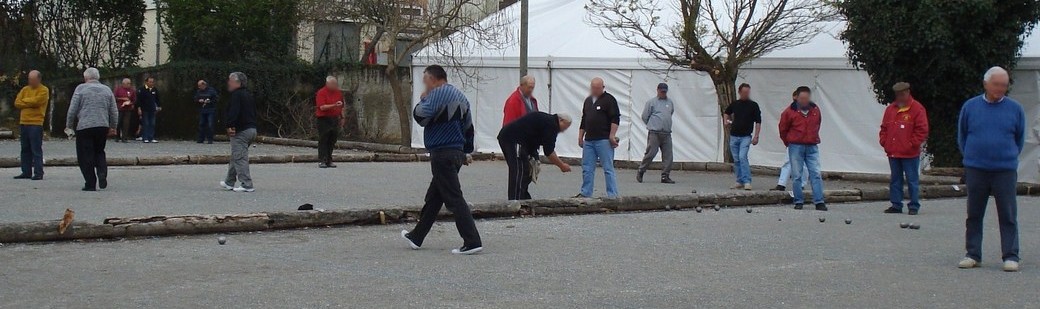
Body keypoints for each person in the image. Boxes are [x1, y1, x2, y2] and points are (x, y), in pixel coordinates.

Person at [401, 64, 483, 255]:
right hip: (455, 152)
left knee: (454, 199)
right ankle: (417, 236)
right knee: (434, 198)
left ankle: (472, 241)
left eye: (425, 81)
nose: (424, 86)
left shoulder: (438, 94)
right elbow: (468, 127)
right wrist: (465, 151)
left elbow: (421, 116)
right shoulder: (461, 97)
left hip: (442, 152)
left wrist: (422, 101)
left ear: (433, 79)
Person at [956, 66, 1023, 272]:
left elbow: (1019, 139)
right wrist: (971, 157)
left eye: (1004, 85)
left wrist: (1007, 156)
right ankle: (973, 253)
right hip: (977, 169)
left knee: (1008, 214)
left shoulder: (1015, 109)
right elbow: (962, 135)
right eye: (996, 84)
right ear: (986, 84)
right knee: (974, 213)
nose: (1000, 89)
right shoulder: (970, 107)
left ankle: (1011, 255)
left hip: (1004, 170)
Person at [497, 112, 573, 200]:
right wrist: (562, 165)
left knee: (527, 169)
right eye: (565, 127)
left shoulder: (548, 121)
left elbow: (534, 139)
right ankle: (515, 202)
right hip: (512, 139)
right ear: (560, 120)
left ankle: (524, 198)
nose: (564, 130)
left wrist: (535, 158)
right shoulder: (552, 125)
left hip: (521, 142)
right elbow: (549, 152)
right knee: (519, 170)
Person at [880, 82, 929, 215]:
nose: (900, 98)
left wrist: (911, 144)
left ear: (908, 93)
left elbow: (922, 130)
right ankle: (896, 204)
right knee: (895, 179)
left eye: (902, 95)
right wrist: (884, 142)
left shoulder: (917, 109)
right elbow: (884, 128)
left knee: (912, 180)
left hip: (910, 153)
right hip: (893, 152)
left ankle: (913, 205)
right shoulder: (890, 109)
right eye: (898, 95)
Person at [66, 68, 118, 191]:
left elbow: (72, 109)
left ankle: (90, 183)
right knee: (100, 151)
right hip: (102, 125)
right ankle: (102, 173)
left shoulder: (80, 89)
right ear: (98, 77)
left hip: (85, 126)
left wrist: (69, 125)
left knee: (85, 155)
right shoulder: (107, 90)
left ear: (85, 78)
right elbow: (114, 111)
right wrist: (113, 127)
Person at [778, 86, 826, 211]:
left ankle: (819, 201)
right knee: (797, 175)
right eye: (802, 98)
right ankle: (798, 201)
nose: (805, 101)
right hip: (796, 145)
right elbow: (783, 128)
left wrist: (813, 136)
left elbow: (818, 123)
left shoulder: (815, 110)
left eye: (806, 98)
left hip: (812, 145)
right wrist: (788, 142)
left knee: (815, 173)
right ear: (797, 98)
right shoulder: (789, 112)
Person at [575, 77, 621, 198]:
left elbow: (615, 118)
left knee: (608, 168)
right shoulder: (588, 101)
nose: (595, 90)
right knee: (587, 168)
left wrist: (612, 135)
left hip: (604, 139)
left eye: (597, 88)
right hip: (589, 140)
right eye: (593, 88)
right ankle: (586, 192)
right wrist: (581, 136)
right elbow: (584, 119)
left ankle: (612, 194)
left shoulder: (609, 100)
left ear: (603, 88)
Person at [219, 72, 258, 193]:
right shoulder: (248, 94)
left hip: (242, 130)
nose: (228, 83)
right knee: (236, 155)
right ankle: (229, 181)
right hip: (252, 129)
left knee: (240, 157)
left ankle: (247, 184)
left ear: (237, 83)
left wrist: (230, 124)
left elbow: (234, 111)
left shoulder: (237, 95)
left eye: (230, 80)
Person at [724, 83, 762, 190]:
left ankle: (747, 180)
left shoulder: (753, 105)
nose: (746, 94)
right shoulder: (735, 104)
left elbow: (758, 121)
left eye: (748, 92)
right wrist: (726, 121)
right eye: (744, 92)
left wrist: (756, 136)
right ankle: (739, 180)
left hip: (746, 136)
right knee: (736, 159)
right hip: (734, 135)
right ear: (740, 92)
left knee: (742, 157)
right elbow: (726, 112)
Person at [13, 70, 49, 180]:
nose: (30, 81)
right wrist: (29, 103)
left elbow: (37, 102)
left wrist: (25, 102)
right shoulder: (25, 89)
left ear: (39, 79)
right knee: (25, 148)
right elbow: (17, 102)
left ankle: (38, 172)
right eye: (29, 79)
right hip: (24, 122)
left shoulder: (44, 90)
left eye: (32, 79)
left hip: (36, 123)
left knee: (36, 149)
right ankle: (26, 171)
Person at [636, 83, 675, 184]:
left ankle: (665, 175)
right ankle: (641, 170)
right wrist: (652, 125)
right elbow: (645, 116)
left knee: (668, 155)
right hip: (655, 132)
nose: (663, 93)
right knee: (651, 153)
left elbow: (670, 113)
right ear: (657, 90)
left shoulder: (670, 102)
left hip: (666, 133)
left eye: (665, 91)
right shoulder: (651, 102)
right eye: (661, 91)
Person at [315, 76, 345, 168]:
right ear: (328, 84)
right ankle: (322, 160)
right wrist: (334, 105)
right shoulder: (321, 92)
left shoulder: (338, 93)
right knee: (323, 139)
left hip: (334, 118)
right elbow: (322, 107)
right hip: (324, 119)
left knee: (332, 139)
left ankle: (329, 159)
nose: (335, 86)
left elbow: (342, 105)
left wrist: (342, 117)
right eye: (333, 84)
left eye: (336, 84)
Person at [194, 80, 219, 144]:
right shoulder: (199, 91)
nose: (199, 87)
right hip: (202, 110)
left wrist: (209, 101)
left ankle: (210, 139)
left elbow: (216, 99)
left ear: (204, 85)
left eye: (200, 86)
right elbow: (195, 99)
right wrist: (199, 100)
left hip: (210, 109)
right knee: (201, 124)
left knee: (210, 124)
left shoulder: (211, 91)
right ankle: (200, 139)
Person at [137, 77, 161, 143]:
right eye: (150, 82)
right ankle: (145, 137)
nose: (151, 83)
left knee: (152, 123)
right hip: (144, 109)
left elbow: (157, 99)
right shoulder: (142, 89)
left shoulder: (154, 89)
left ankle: (151, 137)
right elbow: (139, 100)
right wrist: (139, 108)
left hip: (152, 109)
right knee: (146, 123)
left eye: (152, 82)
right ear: (146, 82)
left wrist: (159, 106)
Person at [113, 78, 136, 143]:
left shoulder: (132, 90)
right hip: (119, 108)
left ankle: (124, 137)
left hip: (128, 109)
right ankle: (117, 136)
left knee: (126, 123)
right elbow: (114, 98)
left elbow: (134, 100)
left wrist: (130, 103)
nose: (129, 85)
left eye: (130, 83)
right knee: (118, 122)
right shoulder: (118, 89)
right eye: (128, 83)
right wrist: (122, 99)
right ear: (123, 84)